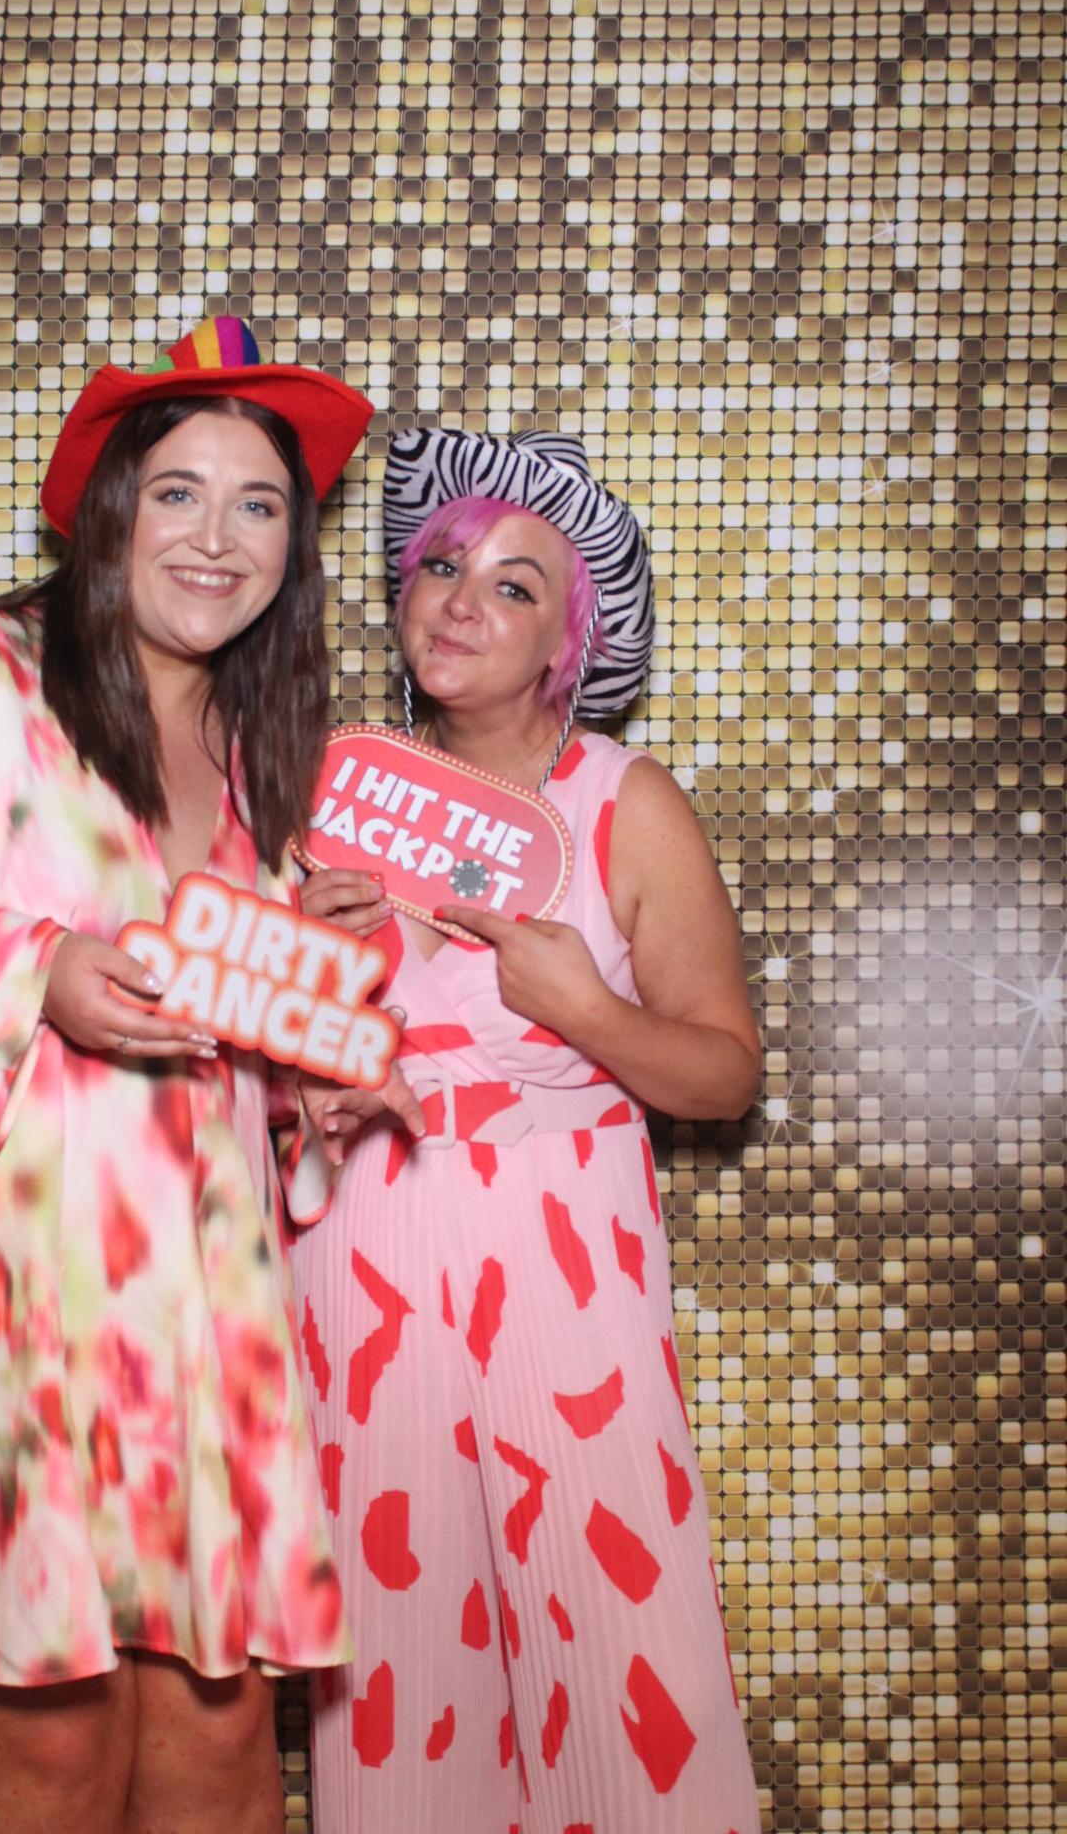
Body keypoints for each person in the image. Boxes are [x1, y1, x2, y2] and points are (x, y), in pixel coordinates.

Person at [0, 316, 379, 1834]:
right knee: (51, 1760)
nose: (218, 535)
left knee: (224, 1755)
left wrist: (318, 1053)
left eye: (260, 504)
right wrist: (31, 973)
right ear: (106, 508)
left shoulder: (262, 769)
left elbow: (204, 1062)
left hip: (179, 1328)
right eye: (177, 491)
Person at [292, 427, 764, 1833]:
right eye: (441, 564)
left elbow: (723, 1075)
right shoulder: (327, 791)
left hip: (565, 1257)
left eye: (512, 586)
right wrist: (304, 1024)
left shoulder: (627, 802)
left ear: (575, 636)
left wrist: (580, 1007)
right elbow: (245, 1070)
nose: (458, 599)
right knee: (396, 1639)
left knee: (613, 1627)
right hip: (367, 1250)